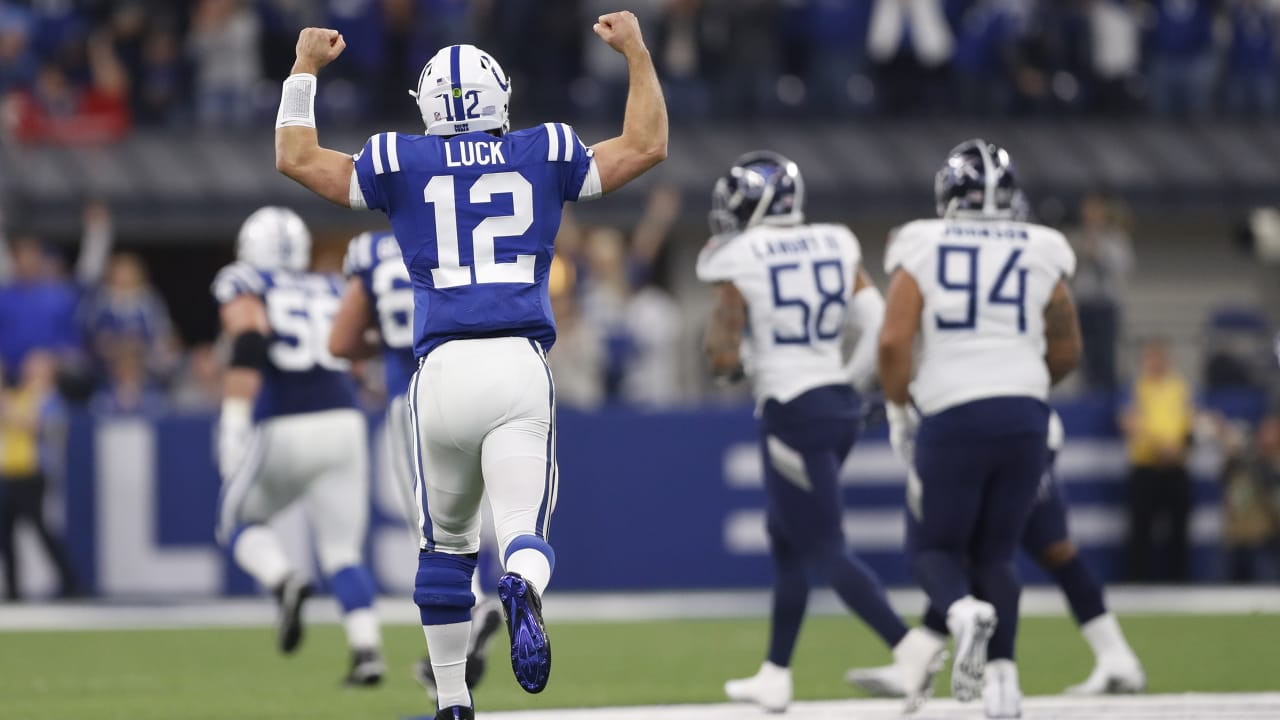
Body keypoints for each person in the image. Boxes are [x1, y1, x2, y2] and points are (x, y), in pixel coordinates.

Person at [272, 13, 667, 719]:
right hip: (517, 362)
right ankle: (519, 582)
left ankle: (453, 702)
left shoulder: (399, 158)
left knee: (444, 547)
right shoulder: (542, 150)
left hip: (441, 372)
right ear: (501, 98)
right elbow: (647, 144)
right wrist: (636, 52)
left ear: (426, 109)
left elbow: (298, 159)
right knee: (523, 531)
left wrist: (304, 69)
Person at [697, 151, 940, 714]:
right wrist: (847, 387)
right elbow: (879, 324)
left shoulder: (737, 256)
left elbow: (721, 354)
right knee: (788, 541)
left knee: (825, 547)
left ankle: (908, 648)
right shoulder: (835, 241)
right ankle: (775, 674)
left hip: (791, 408)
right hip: (832, 404)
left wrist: (744, 361)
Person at [877, 139, 1082, 718]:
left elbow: (893, 340)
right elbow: (1067, 348)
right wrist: (1019, 385)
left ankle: (962, 612)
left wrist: (897, 409)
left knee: (932, 550)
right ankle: (1004, 685)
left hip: (954, 408)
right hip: (1025, 413)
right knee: (996, 554)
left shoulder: (922, 240)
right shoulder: (1042, 246)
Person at [849, 411, 1146, 698]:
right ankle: (1113, 658)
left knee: (1013, 551)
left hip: (1016, 434)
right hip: (1008, 433)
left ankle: (1110, 657)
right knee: (980, 551)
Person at [210, 207, 385, 687]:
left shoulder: (244, 280)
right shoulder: (330, 286)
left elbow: (247, 340)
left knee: (237, 521)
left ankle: (282, 580)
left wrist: (233, 420)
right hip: (344, 420)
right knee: (343, 552)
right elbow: (354, 357)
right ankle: (367, 651)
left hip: (284, 421)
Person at [329, 230, 505, 695]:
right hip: (475, 384)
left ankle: (471, 621)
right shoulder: (458, 219)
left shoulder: (368, 249)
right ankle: (447, 657)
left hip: (411, 394)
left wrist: (386, 340)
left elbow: (340, 340)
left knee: (433, 537)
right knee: (471, 521)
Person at [0, 351, 79, 600]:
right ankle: (13, 588)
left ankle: (70, 581)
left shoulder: (50, 399)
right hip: (10, 472)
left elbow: (41, 426)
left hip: (33, 474)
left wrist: (11, 412)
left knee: (42, 529)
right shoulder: (21, 396)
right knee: (6, 533)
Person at [1121, 337, 1195, 583]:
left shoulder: (1180, 387)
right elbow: (1128, 421)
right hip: (1146, 466)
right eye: (1151, 357)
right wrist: (1160, 446)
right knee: (1141, 528)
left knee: (1179, 528)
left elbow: (1191, 421)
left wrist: (1179, 447)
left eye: (1159, 356)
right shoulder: (1136, 387)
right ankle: (1138, 581)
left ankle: (1179, 580)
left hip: (1176, 466)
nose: (1156, 362)